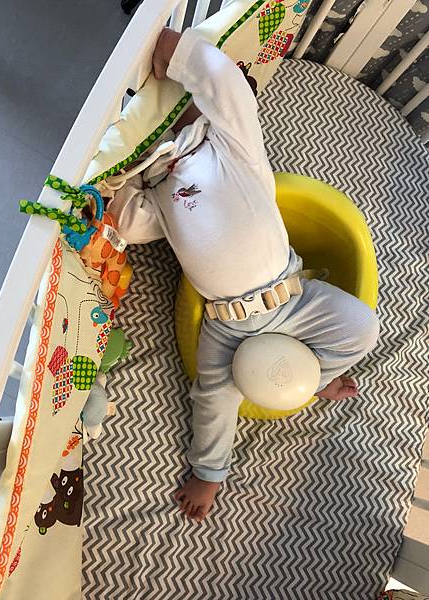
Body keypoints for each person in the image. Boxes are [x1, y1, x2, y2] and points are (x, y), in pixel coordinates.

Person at [106, 27, 379, 522]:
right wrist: (120, 177)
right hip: (225, 324)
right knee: (213, 396)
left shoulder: (232, 147)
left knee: (363, 328)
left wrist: (179, 55)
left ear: (203, 111)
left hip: (293, 300)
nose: (171, 120)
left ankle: (315, 378)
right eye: (162, 123)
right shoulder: (160, 191)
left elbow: (226, 87)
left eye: (181, 107)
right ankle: (210, 471)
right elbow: (128, 224)